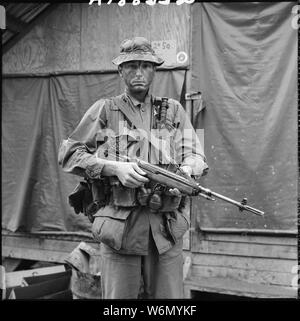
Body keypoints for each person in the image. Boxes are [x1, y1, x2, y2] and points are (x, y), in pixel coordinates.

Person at [58, 37, 208, 299]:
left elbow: (196, 154)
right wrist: (113, 168)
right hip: (120, 230)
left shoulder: (172, 110)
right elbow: (69, 154)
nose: (139, 72)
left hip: (166, 230)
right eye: (131, 66)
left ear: (154, 70)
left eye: (146, 66)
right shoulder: (105, 110)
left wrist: (186, 170)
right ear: (120, 70)